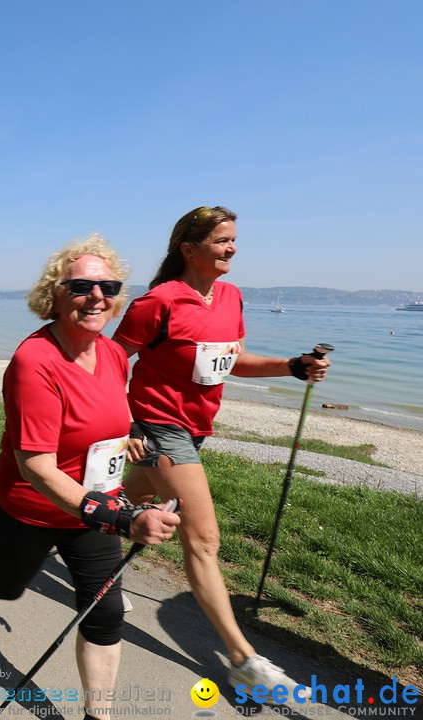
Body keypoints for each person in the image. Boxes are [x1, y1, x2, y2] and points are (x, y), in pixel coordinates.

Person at [0, 236, 180, 720]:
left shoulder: (109, 353)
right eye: (81, 285)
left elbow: (107, 411)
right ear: (55, 294)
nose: (97, 296)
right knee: (6, 583)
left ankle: (98, 715)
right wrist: (121, 515)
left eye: (108, 285)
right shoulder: (35, 361)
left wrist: (126, 435)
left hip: (94, 511)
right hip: (33, 506)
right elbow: (37, 466)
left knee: (105, 613)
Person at [112, 206, 330, 696]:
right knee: (203, 540)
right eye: (221, 241)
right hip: (156, 428)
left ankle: (62, 531)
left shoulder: (231, 296)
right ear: (188, 249)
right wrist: (121, 424)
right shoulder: (158, 302)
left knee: (120, 501)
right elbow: (109, 362)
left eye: (234, 241)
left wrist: (292, 366)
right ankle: (242, 659)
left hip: (195, 430)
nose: (232, 249)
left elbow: (233, 362)